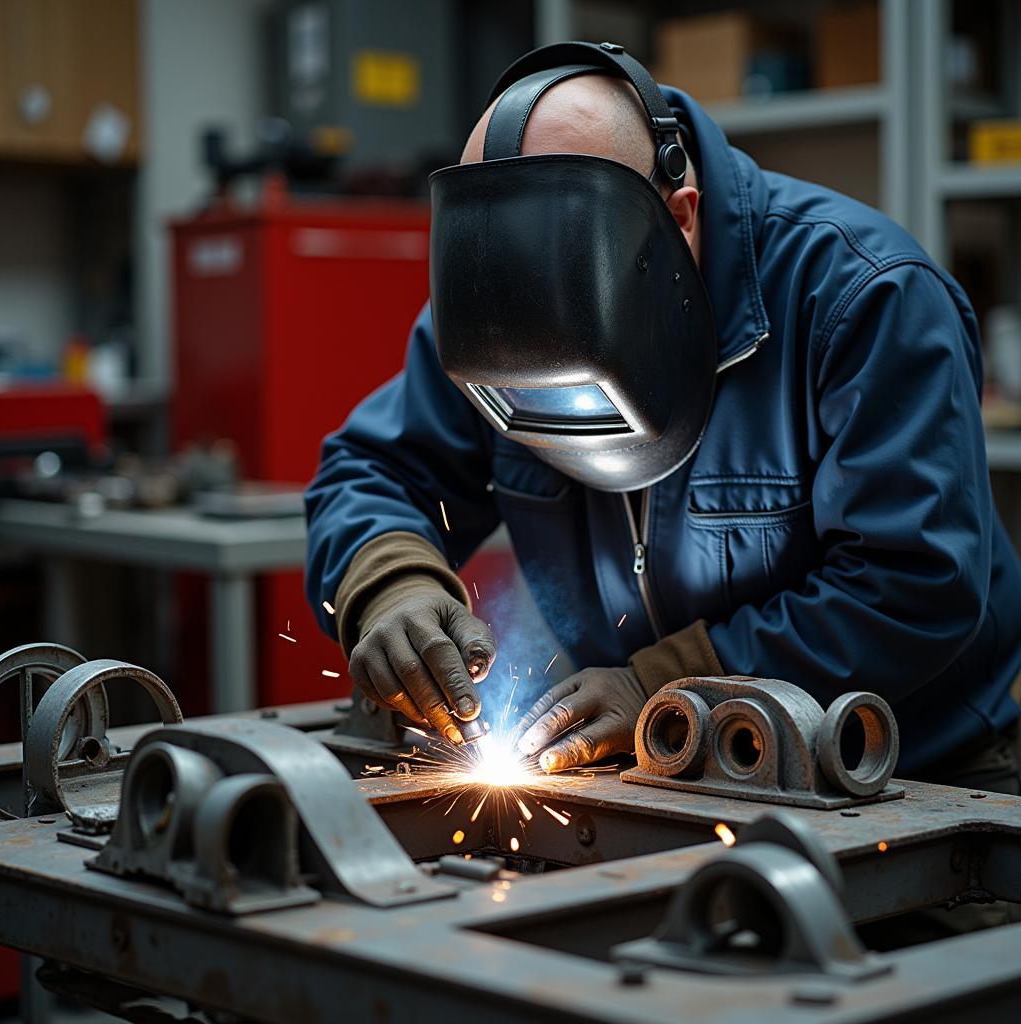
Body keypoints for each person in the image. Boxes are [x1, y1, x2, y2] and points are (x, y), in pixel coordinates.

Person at [305, 42, 1021, 791]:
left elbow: (915, 581)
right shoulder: (489, 321)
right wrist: (390, 582)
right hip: (658, 773)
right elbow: (376, 467)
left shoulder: (864, 298)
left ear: (679, 219)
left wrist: (672, 685)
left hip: (903, 775)